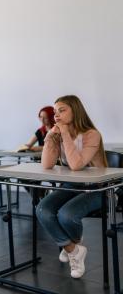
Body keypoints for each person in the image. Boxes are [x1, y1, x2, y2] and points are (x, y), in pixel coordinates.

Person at [36, 95, 107, 279]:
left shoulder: (92, 134)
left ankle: (69, 245)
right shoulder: (59, 133)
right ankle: (73, 249)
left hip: (98, 188)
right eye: (56, 111)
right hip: (72, 185)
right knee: (42, 209)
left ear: (75, 111)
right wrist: (51, 137)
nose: (56, 115)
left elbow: (76, 165)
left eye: (62, 110)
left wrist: (66, 134)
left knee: (66, 215)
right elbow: (46, 164)